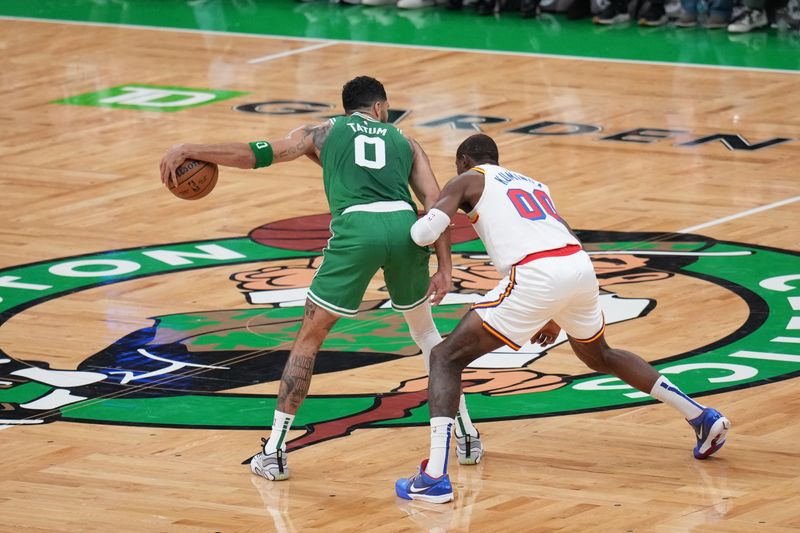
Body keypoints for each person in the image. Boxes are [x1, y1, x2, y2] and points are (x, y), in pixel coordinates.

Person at [159, 76, 483, 481]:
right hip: (404, 229)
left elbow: (256, 154)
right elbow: (438, 206)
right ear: (381, 108)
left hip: (357, 231)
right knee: (427, 336)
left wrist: (189, 149)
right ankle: (468, 436)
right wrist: (446, 269)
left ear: (347, 107)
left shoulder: (323, 132)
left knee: (310, 337)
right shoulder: (405, 142)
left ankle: (274, 452)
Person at [395, 133, 731, 504]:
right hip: (577, 265)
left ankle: (434, 477)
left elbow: (426, 231)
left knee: (445, 357)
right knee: (600, 354)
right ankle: (701, 416)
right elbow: (566, 232)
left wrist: (398, 221)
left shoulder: (468, 178)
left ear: (463, 160)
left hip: (536, 273)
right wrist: (556, 311)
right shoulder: (533, 183)